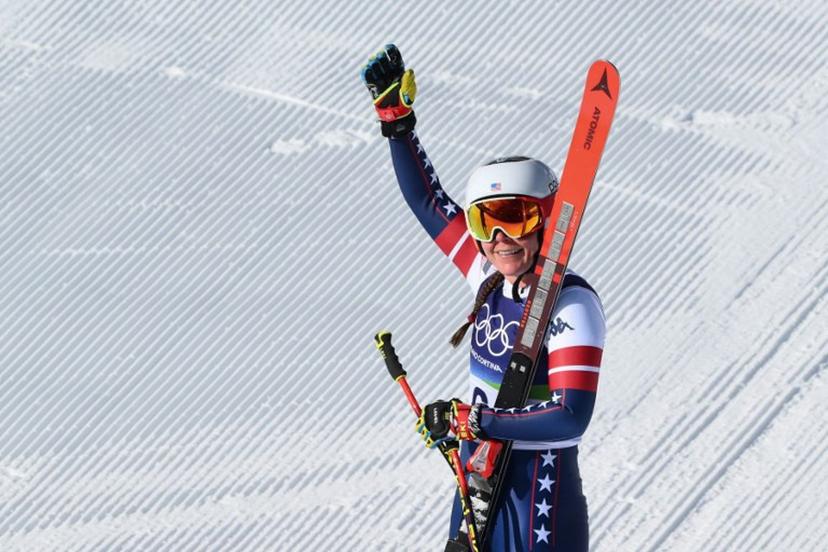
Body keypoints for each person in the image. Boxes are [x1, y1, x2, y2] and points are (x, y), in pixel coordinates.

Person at [362, 45, 606, 552]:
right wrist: (397, 121)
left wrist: (475, 420)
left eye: (513, 217)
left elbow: (570, 416)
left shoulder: (572, 305)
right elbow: (428, 203)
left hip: (541, 499)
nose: (498, 237)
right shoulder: (486, 275)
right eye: (483, 221)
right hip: (477, 482)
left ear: (543, 217)